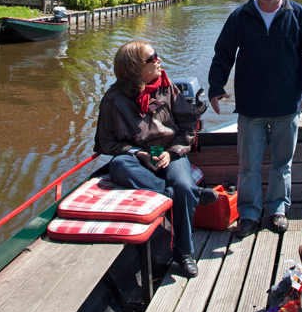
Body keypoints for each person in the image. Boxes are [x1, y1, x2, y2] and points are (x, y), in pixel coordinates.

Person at [207, 0, 302, 238]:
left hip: (287, 105)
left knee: (283, 164)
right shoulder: (240, 17)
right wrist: (215, 87)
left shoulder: (300, 16)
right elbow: (223, 53)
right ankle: (248, 214)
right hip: (251, 106)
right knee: (248, 166)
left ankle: (277, 211)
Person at [94, 40, 219, 278]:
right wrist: (138, 153)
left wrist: (169, 153)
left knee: (182, 184)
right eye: (153, 58)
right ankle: (182, 193)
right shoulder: (112, 100)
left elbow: (187, 126)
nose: (159, 60)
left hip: (170, 153)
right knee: (119, 165)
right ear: (135, 68)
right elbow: (106, 143)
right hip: (136, 160)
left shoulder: (167, 87)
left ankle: (184, 253)